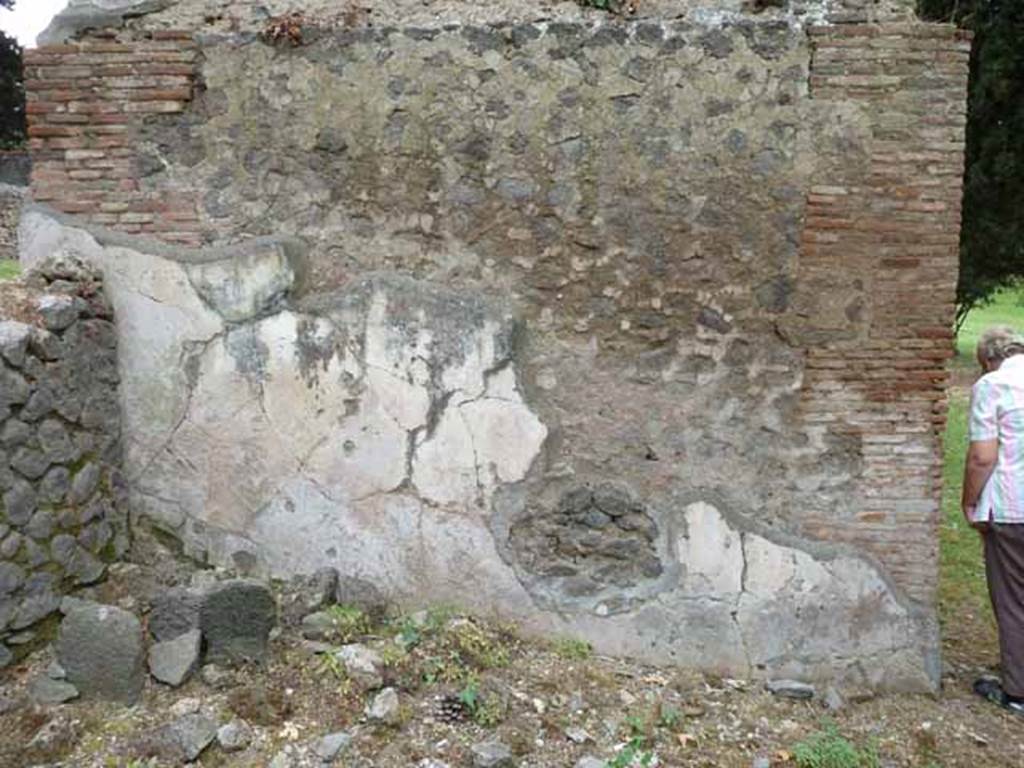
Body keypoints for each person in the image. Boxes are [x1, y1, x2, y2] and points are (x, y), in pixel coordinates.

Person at [963, 325, 1024, 714]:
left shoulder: (993, 385)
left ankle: (1018, 692)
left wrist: (969, 502)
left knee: (1014, 599)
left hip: (1014, 507)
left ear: (987, 359)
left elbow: (983, 456)